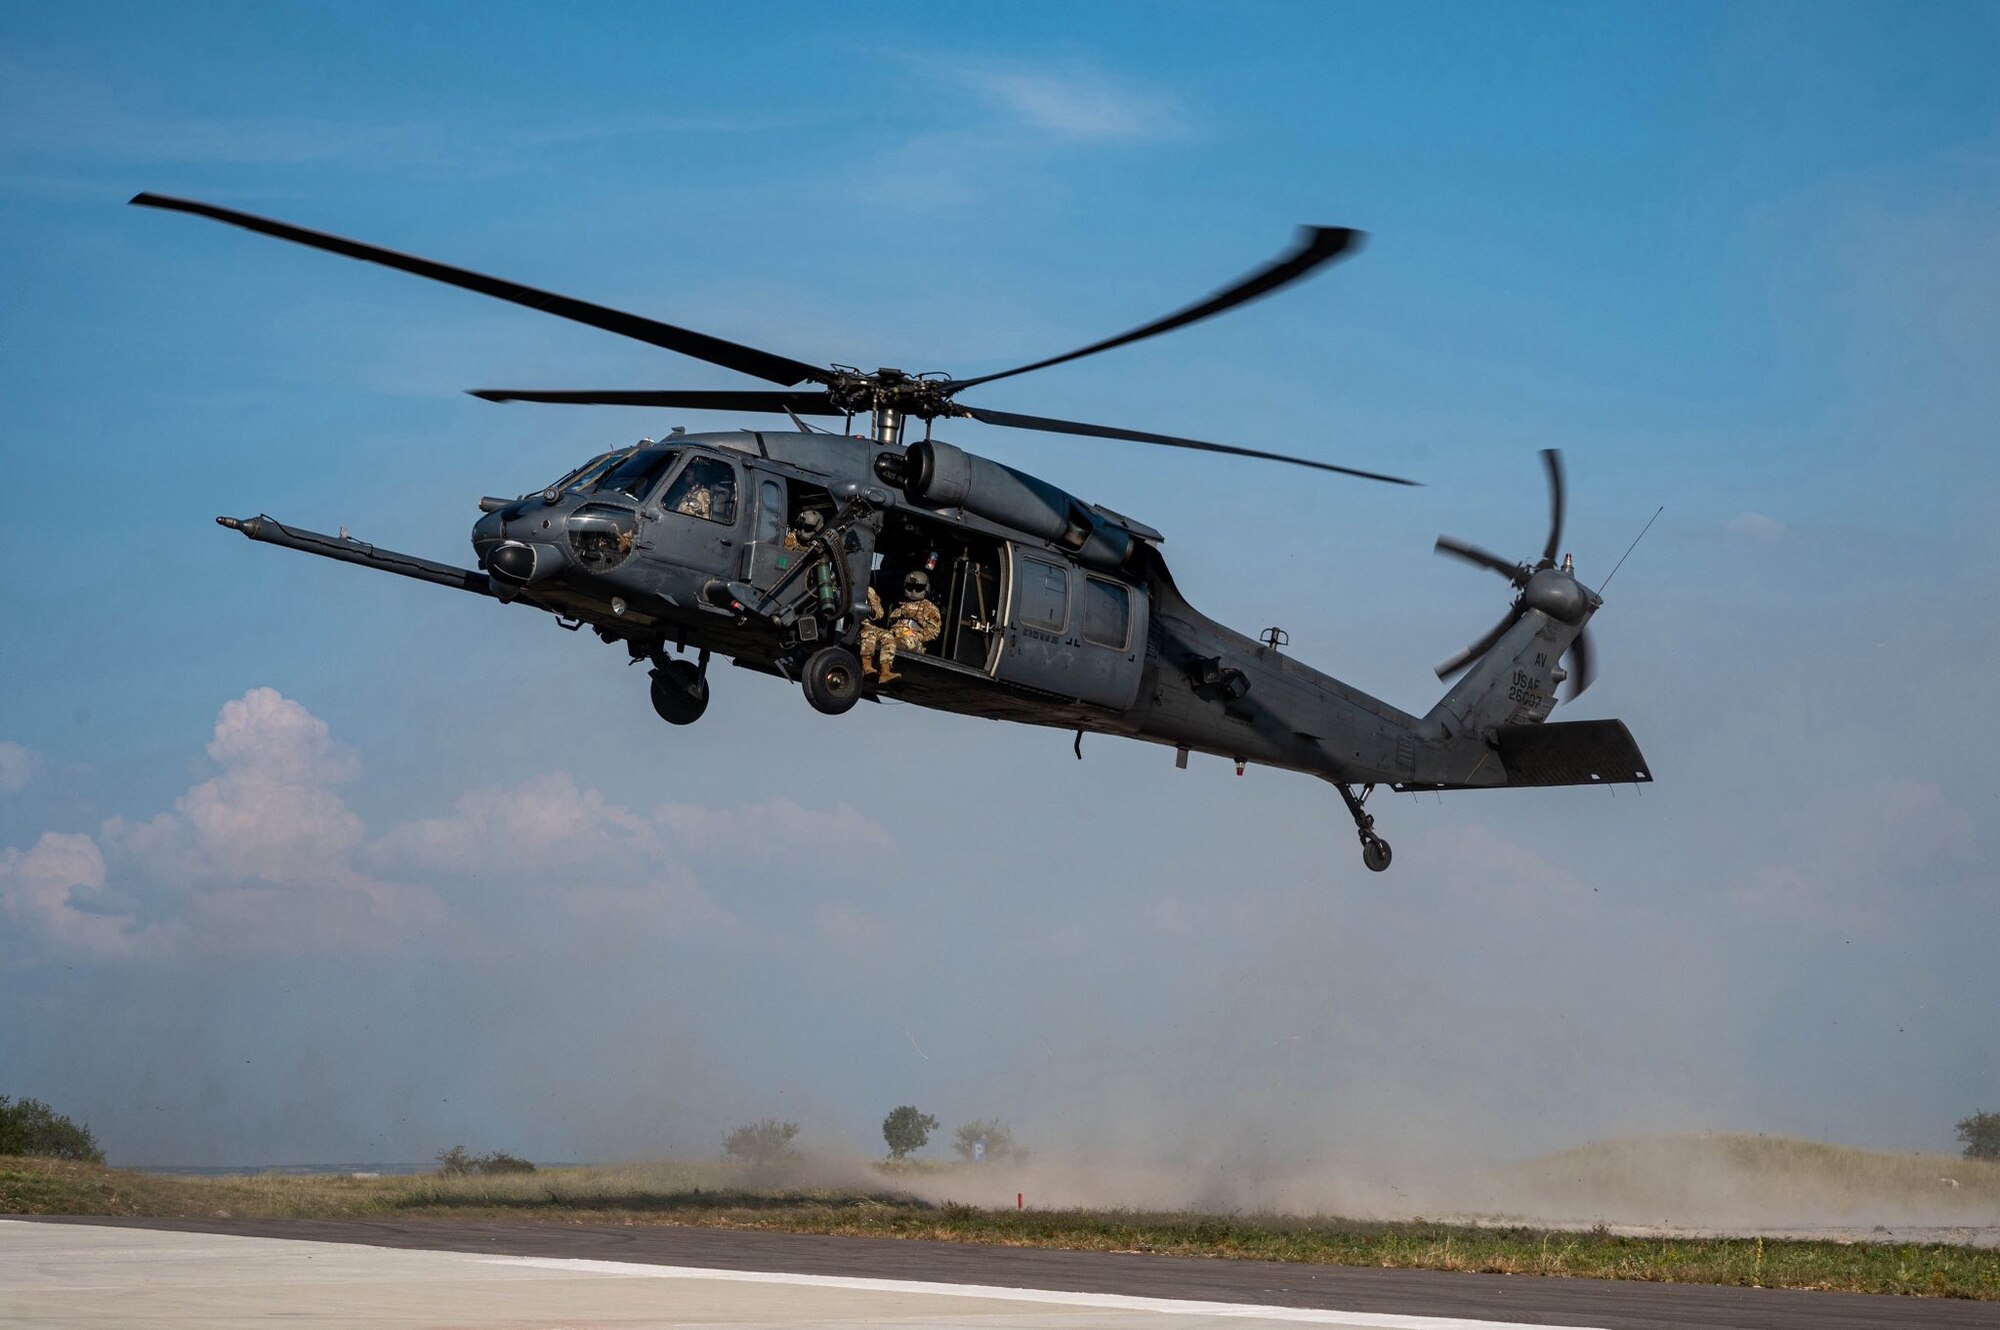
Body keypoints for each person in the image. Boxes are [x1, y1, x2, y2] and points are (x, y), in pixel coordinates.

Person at [859, 570, 942, 684]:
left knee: (890, 639)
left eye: (918, 589)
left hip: (913, 640)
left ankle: (885, 672)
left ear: (926, 589)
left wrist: (918, 636)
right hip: (894, 635)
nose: (913, 592)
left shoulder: (928, 608)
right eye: (910, 587)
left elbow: (933, 631)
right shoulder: (900, 606)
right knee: (870, 631)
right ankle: (867, 667)